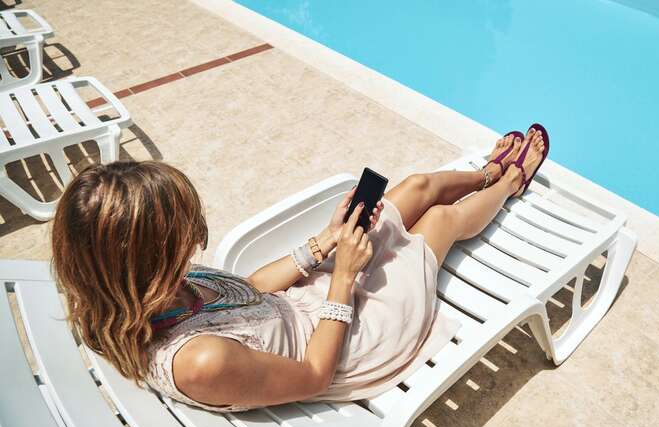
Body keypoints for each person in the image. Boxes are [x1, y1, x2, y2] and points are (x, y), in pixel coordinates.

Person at [51, 126, 547, 412]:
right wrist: (344, 278)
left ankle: (486, 170)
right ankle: (509, 183)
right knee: (438, 219)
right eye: (179, 240)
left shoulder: (144, 293)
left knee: (415, 185)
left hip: (310, 304)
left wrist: (323, 243)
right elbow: (312, 376)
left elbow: (245, 293)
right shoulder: (199, 363)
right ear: (140, 259)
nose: (193, 244)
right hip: (349, 341)